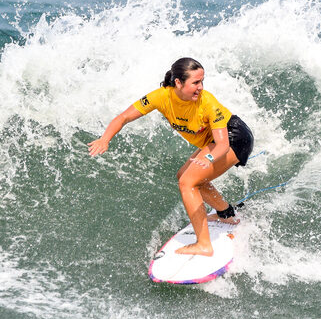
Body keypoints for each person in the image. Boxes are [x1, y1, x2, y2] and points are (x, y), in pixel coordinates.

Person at [88, 57, 254, 257]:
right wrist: (105, 139)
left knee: (188, 182)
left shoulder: (207, 101)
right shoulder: (161, 97)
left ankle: (203, 244)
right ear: (178, 82)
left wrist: (208, 159)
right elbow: (124, 117)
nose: (200, 87)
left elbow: (223, 144)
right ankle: (226, 214)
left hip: (234, 137)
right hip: (212, 142)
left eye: (202, 81)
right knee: (183, 176)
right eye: (195, 82)